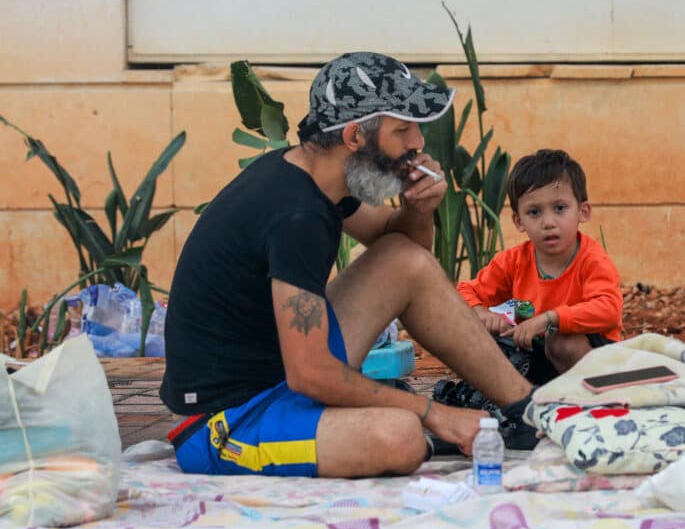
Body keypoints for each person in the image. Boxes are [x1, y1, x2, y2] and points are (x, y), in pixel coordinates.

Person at [159, 52, 537, 479]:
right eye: (402, 129)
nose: (417, 143)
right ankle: (433, 424)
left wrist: (419, 209)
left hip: (279, 374)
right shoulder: (295, 215)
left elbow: (405, 253)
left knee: (400, 260)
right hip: (227, 422)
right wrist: (434, 413)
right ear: (356, 137)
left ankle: (529, 411)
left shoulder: (315, 177)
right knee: (401, 437)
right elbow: (311, 374)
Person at [456, 149, 623, 378]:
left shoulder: (592, 260)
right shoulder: (513, 262)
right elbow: (464, 291)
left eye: (560, 208)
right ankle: (523, 399)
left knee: (561, 341)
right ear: (518, 221)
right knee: (483, 334)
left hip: (591, 357)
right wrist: (482, 313)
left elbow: (609, 309)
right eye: (534, 212)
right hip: (536, 353)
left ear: (583, 212)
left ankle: (594, 398)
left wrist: (549, 319)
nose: (548, 222)